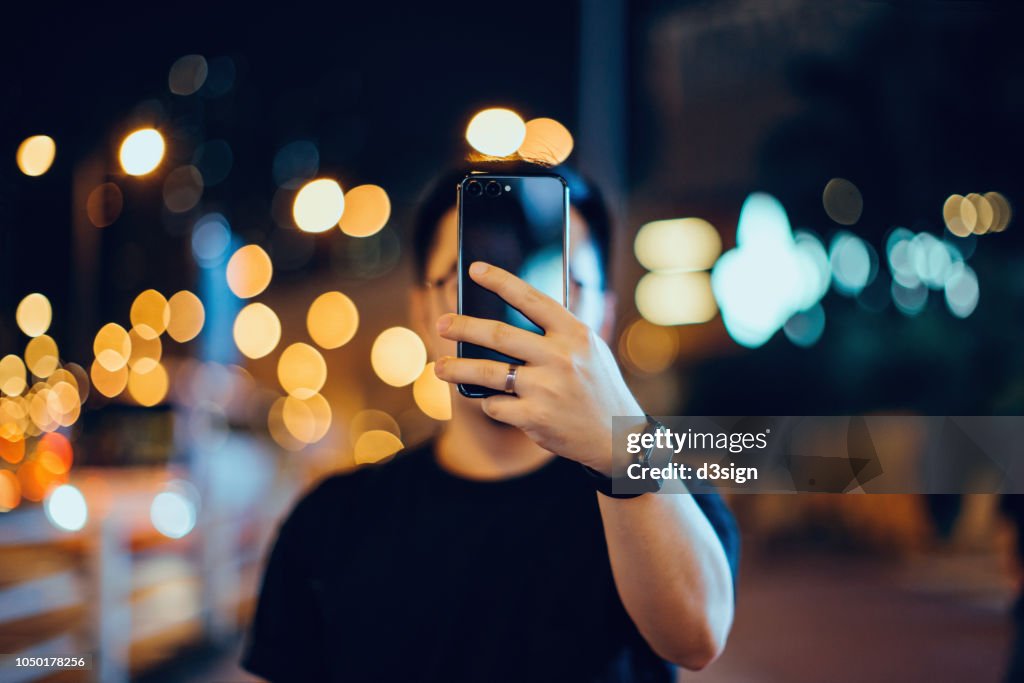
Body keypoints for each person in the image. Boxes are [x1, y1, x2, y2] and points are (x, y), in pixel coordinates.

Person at [242, 164, 739, 682]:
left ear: (604, 319)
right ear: (421, 309)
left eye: (554, 283)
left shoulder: (662, 494)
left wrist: (622, 442)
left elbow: (696, 638)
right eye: (476, 280)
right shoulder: (330, 521)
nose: (511, 314)